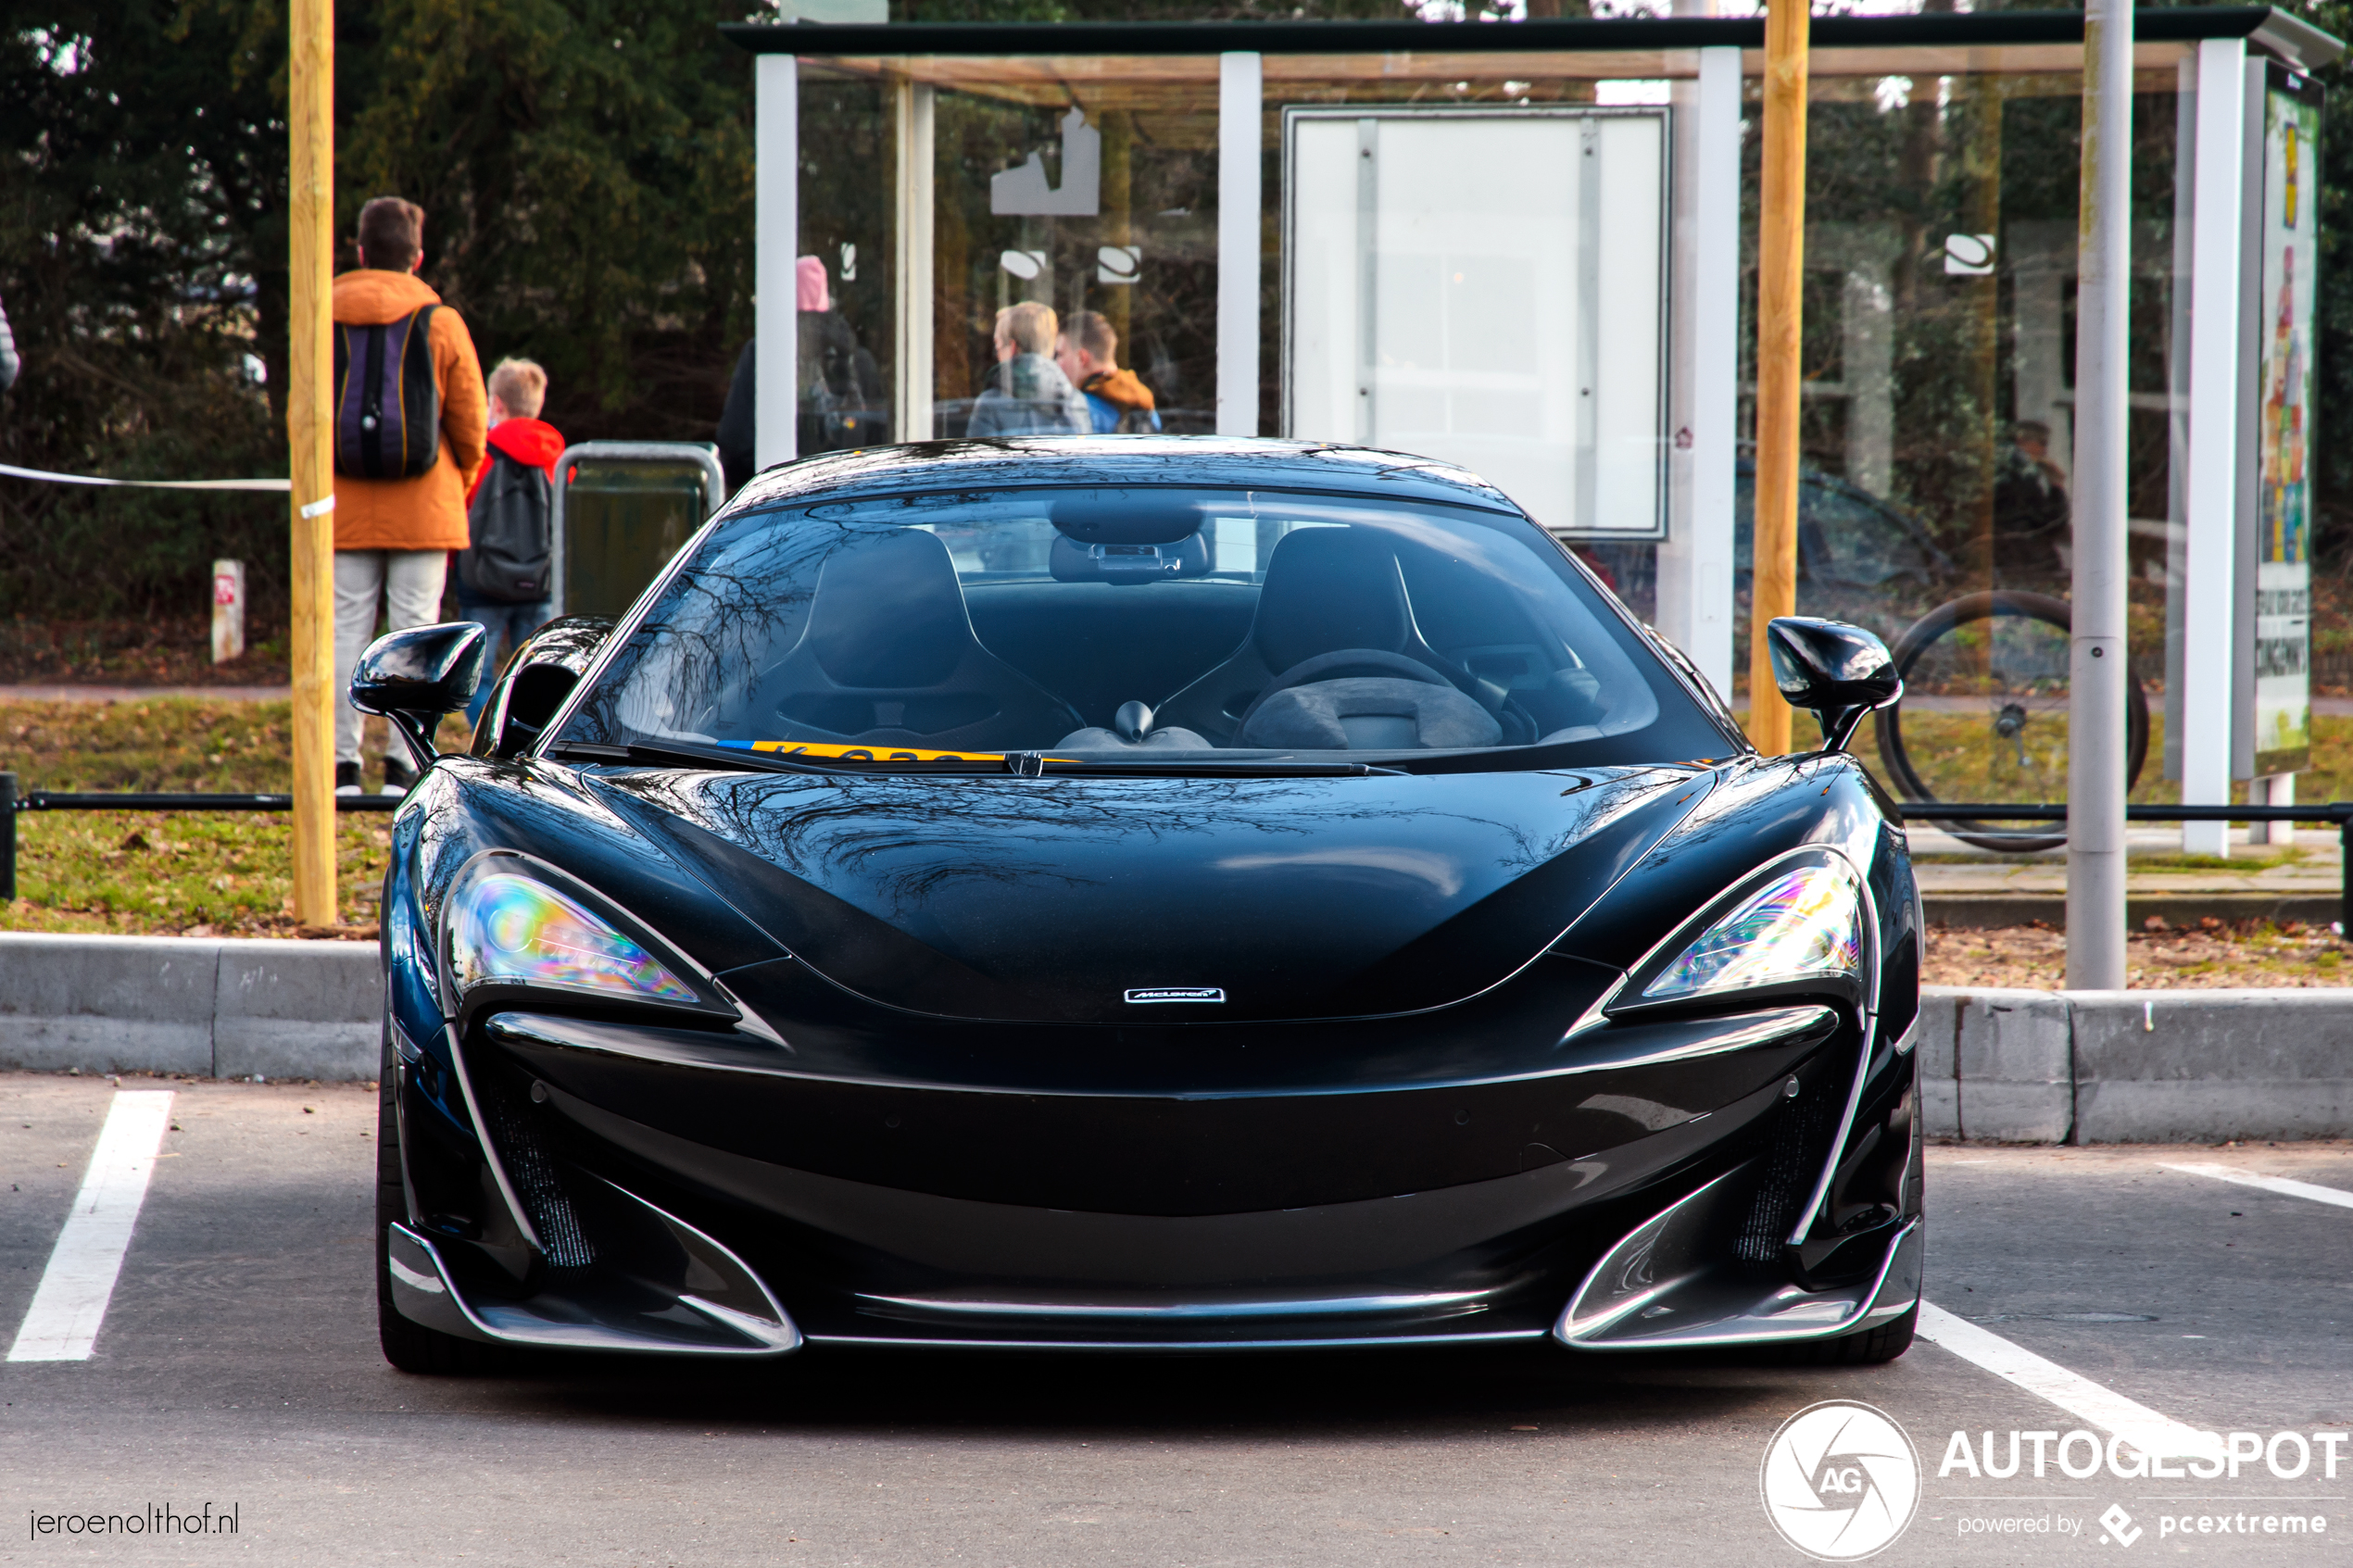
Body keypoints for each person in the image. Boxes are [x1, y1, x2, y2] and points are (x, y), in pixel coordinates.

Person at [331, 195, 487, 797]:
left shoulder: (324, 318)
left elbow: (306, 418)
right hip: (425, 507)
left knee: (346, 629)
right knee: (416, 631)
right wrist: (457, 483)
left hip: (343, 507)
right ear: (417, 257)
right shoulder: (441, 321)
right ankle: (402, 764)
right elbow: (471, 425)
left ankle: (344, 765)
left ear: (361, 252)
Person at [454, 358, 563, 727]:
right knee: (541, 676)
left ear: (496, 404)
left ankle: (492, 746)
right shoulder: (561, 461)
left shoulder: (479, 456)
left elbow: (461, 509)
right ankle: (531, 747)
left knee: (476, 679)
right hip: (540, 584)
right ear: (537, 403)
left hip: (483, 584)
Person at [967, 302, 1089, 438]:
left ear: (1012, 348)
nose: (996, 355)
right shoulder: (1075, 400)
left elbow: (981, 456)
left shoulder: (990, 403)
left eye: (998, 345)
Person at [1055, 310, 1160, 434]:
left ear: (1082, 358)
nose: (1055, 362)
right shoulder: (1147, 406)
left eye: (1059, 355)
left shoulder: (1078, 410)